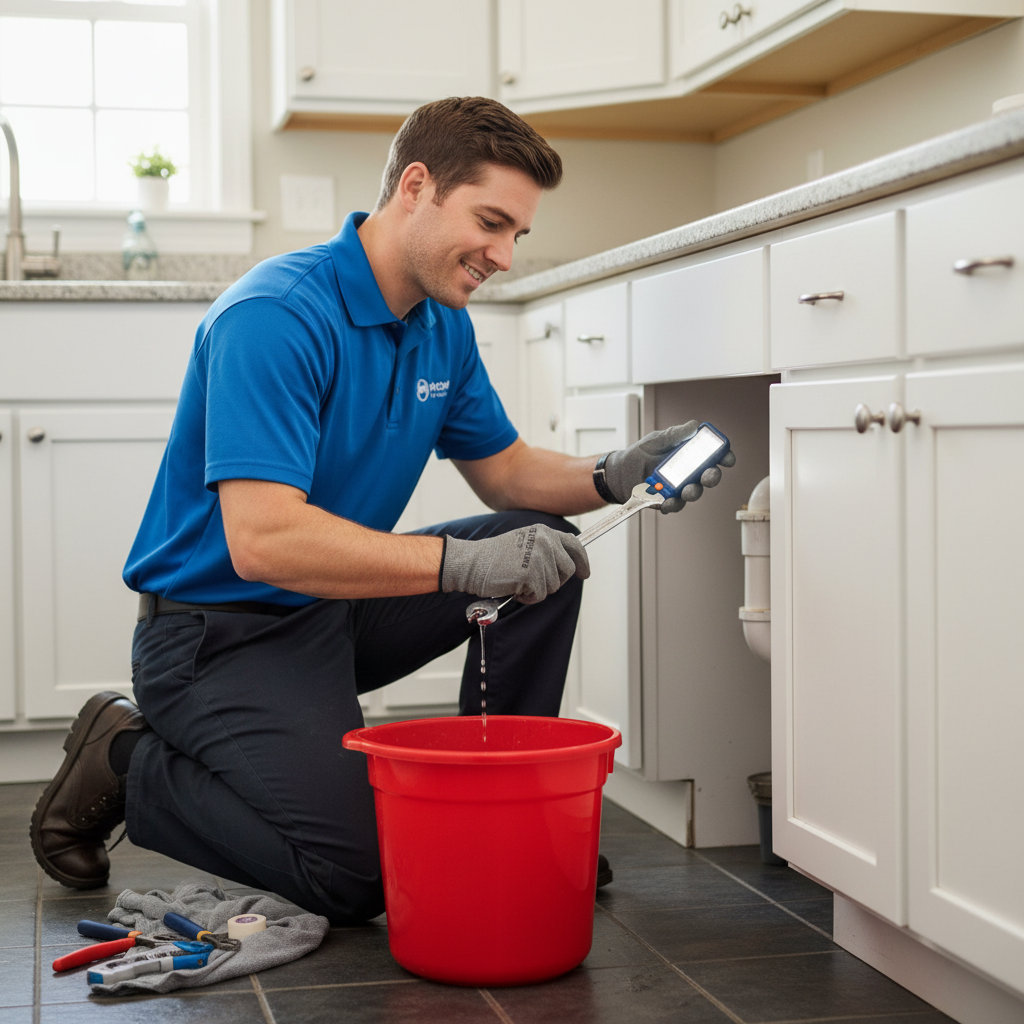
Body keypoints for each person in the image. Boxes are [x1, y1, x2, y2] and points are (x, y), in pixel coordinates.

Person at [30, 97, 733, 923]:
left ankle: (503, 808)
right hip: (216, 634)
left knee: (541, 548)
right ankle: (127, 757)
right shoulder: (278, 317)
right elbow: (262, 542)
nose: (504, 255)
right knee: (360, 876)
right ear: (417, 185)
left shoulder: (440, 324)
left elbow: (505, 472)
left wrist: (617, 472)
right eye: (492, 222)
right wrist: (459, 564)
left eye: (519, 235)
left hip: (333, 611)